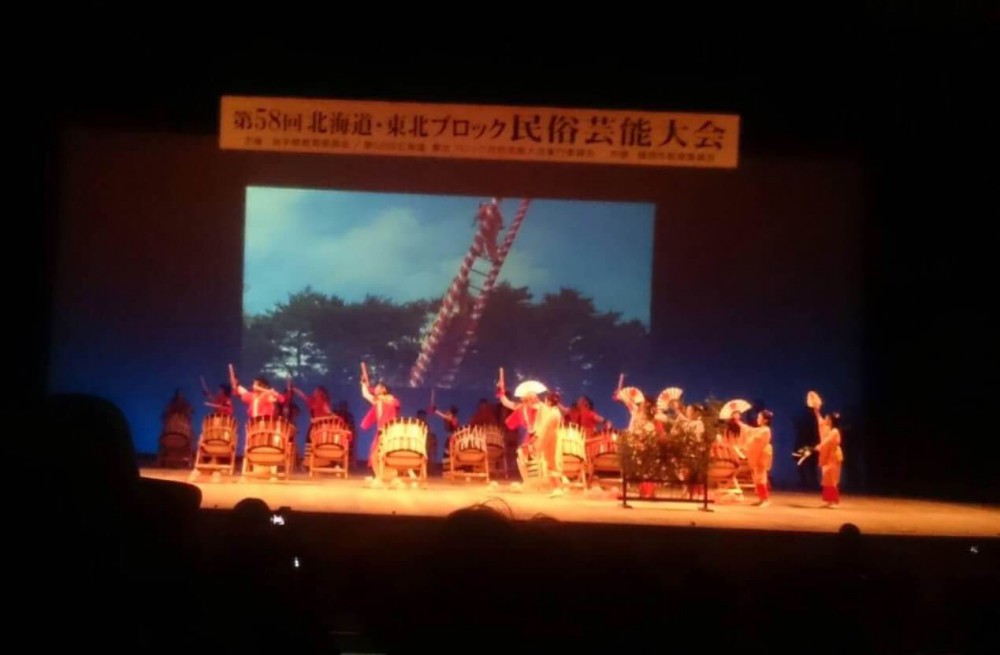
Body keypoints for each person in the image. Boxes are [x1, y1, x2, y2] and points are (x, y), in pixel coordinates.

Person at [498, 382, 563, 494]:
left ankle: (552, 484)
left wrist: (535, 438)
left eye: (532, 397)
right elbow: (507, 403)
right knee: (522, 454)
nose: (531, 399)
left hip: (543, 435)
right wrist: (501, 393)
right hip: (533, 435)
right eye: (528, 398)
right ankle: (529, 481)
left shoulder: (542, 407)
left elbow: (545, 424)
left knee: (547, 459)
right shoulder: (521, 408)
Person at [360, 380, 400, 477]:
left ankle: (382, 475)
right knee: (377, 452)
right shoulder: (384, 400)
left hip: (388, 432)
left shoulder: (386, 400)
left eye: (377, 387)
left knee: (378, 452)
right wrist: (364, 385)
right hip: (387, 431)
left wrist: (365, 385)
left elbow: (367, 395)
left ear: (383, 389)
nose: (375, 389)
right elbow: (367, 394)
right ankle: (381, 474)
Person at [737, 410, 774, 506]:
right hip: (758, 454)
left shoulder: (766, 430)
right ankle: (761, 499)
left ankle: (765, 500)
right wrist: (738, 422)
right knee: (757, 478)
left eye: (759, 417)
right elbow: (749, 430)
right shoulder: (760, 430)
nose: (758, 419)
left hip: (762, 454)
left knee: (761, 478)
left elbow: (753, 436)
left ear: (765, 420)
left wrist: (749, 443)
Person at [814, 402, 844, 508]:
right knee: (826, 478)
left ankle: (834, 501)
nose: (826, 419)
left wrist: (819, 446)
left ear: (831, 421)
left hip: (833, 456)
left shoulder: (834, 431)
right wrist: (816, 409)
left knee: (832, 479)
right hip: (828, 456)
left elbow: (827, 442)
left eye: (828, 418)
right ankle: (828, 500)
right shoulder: (828, 429)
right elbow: (819, 420)